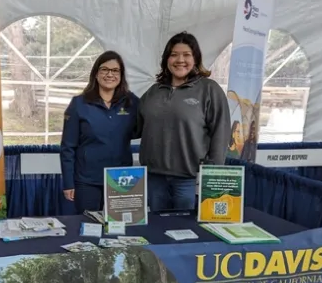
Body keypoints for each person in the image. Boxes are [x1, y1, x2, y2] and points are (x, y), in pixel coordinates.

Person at [137, 32, 231, 211]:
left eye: (186, 54)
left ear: (195, 59)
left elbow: (221, 133)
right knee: (157, 230)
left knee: (187, 232)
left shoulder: (209, 90)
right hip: (154, 180)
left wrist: (210, 176)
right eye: (174, 54)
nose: (180, 60)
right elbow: (133, 127)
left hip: (189, 180)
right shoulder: (153, 92)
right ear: (166, 59)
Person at [60, 51, 139, 212]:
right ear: (96, 74)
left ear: (121, 75)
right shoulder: (79, 104)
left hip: (122, 179)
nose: (110, 74)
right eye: (104, 69)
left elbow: (143, 129)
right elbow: (67, 147)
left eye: (115, 70)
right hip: (87, 180)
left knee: (122, 228)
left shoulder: (132, 102)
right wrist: (68, 182)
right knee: (91, 228)